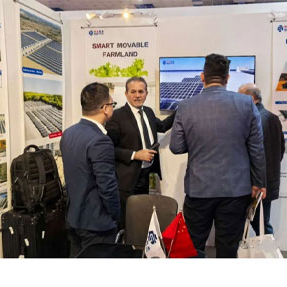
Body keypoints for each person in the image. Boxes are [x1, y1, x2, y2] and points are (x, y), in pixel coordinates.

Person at [169, 53, 265, 258]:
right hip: (235, 190)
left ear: (202, 77)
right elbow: (257, 149)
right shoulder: (246, 104)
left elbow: (176, 147)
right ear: (227, 78)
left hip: (198, 189)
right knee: (228, 248)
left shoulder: (185, 106)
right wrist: (259, 182)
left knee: (193, 248)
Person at [105, 76, 174, 227]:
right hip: (127, 180)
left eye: (141, 92)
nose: (137, 95)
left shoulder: (148, 112)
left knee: (141, 217)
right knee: (127, 221)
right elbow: (109, 149)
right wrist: (135, 155)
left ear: (146, 93)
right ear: (126, 94)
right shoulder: (116, 116)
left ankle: (138, 241)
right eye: (133, 92)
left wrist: (181, 109)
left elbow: (162, 126)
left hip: (146, 175)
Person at [63, 82, 122, 256]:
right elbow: (107, 186)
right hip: (97, 224)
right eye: (112, 104)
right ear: (105, 108)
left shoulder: (68, 133)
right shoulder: (100, 140)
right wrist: (115, 215)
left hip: (74, 218)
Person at [238, 83, 284, 236]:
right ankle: (269, 249)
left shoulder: (253, 120)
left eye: (239, 96)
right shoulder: (273, 118)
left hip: (254, 184)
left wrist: (256, 181)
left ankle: (267, 250)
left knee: (257, 225)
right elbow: (281, 150)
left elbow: (253, 154)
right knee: (263, 224)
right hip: (267, 181)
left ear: (251, 98)